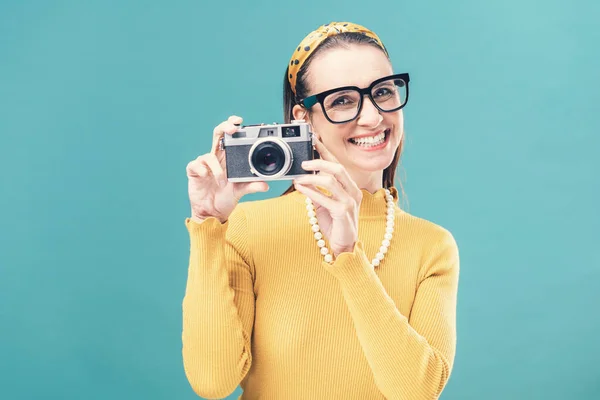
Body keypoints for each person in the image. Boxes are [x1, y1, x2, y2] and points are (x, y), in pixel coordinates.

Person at [182, 21, 460, 400]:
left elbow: (417, 391)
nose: (373, 117)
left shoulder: (432, 247)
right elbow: (212, 382)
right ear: (303, 118)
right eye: (343, 100)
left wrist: (348, 258)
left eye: (382, 91)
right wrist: (207, 226)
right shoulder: (247, 228)